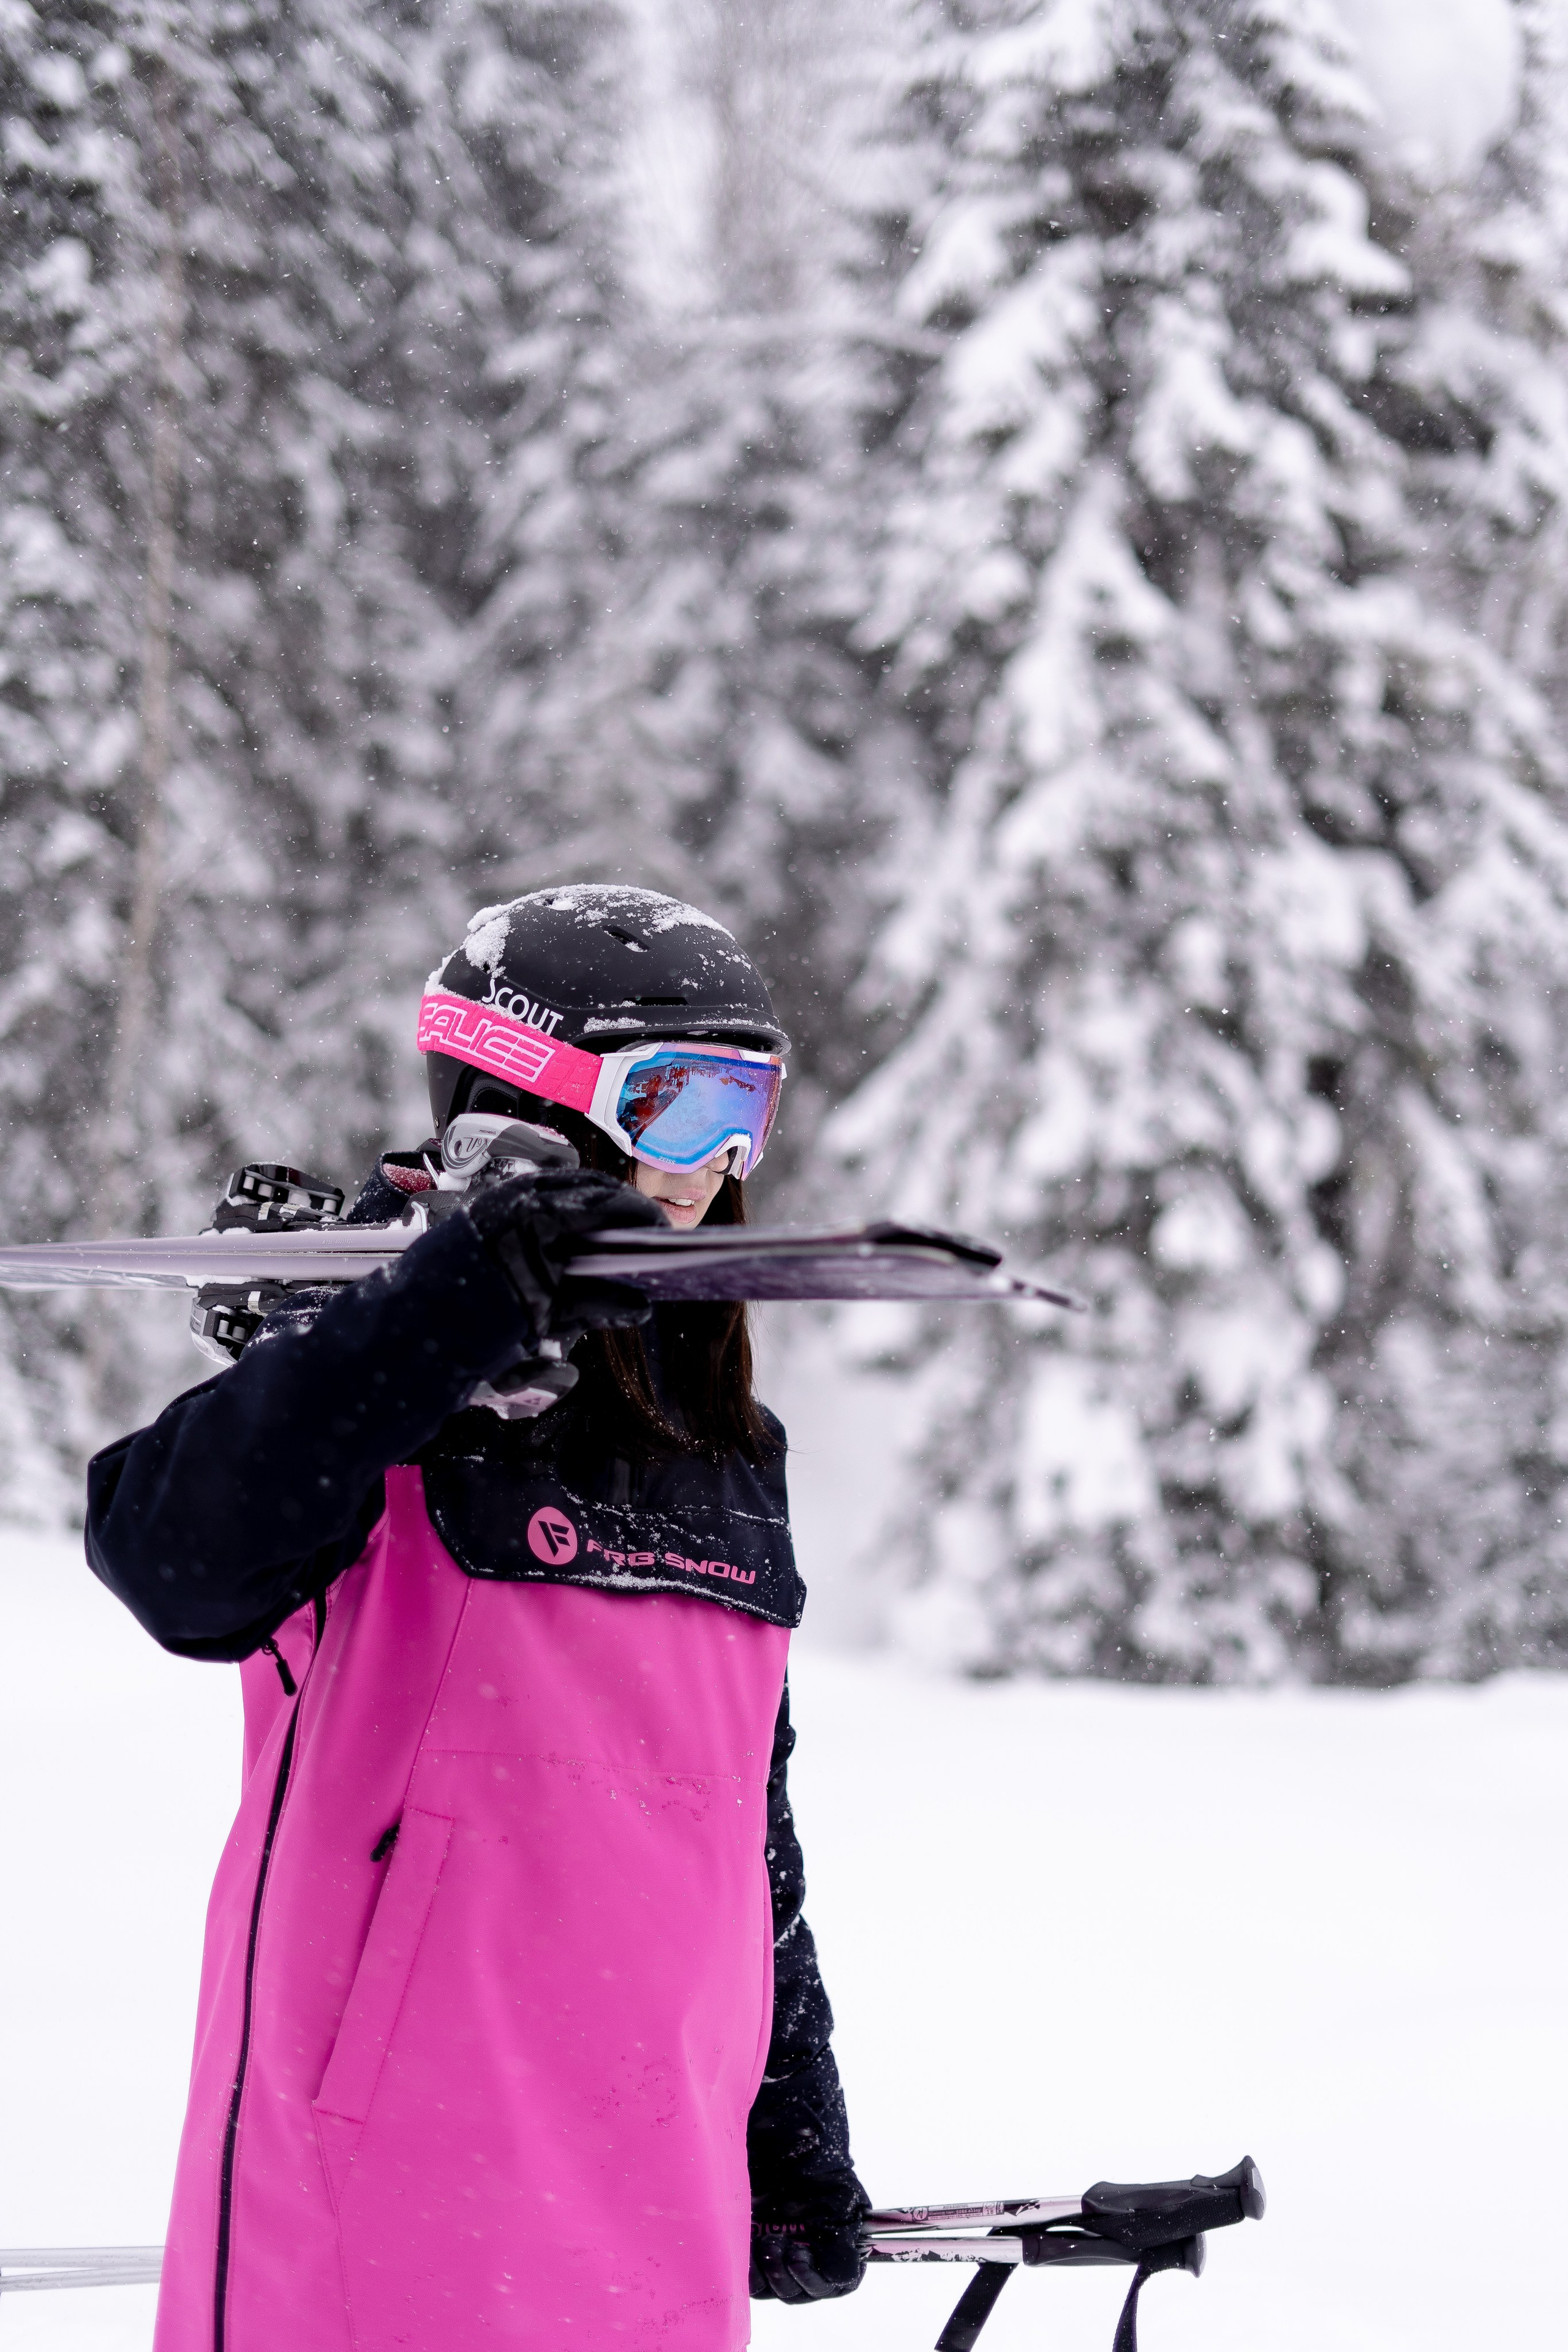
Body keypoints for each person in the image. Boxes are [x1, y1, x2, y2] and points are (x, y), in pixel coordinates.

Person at [86, 885, 869, 2352]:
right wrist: (433, 1321)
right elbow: (168, 1556)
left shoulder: (723, 1445)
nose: (714, 1162)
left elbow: (734, 1813)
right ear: (534, 1094)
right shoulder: (387, 1374)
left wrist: (782, 2108)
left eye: (745, 1109)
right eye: (678, 1102)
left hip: (654, 2166)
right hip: (391, 2165)